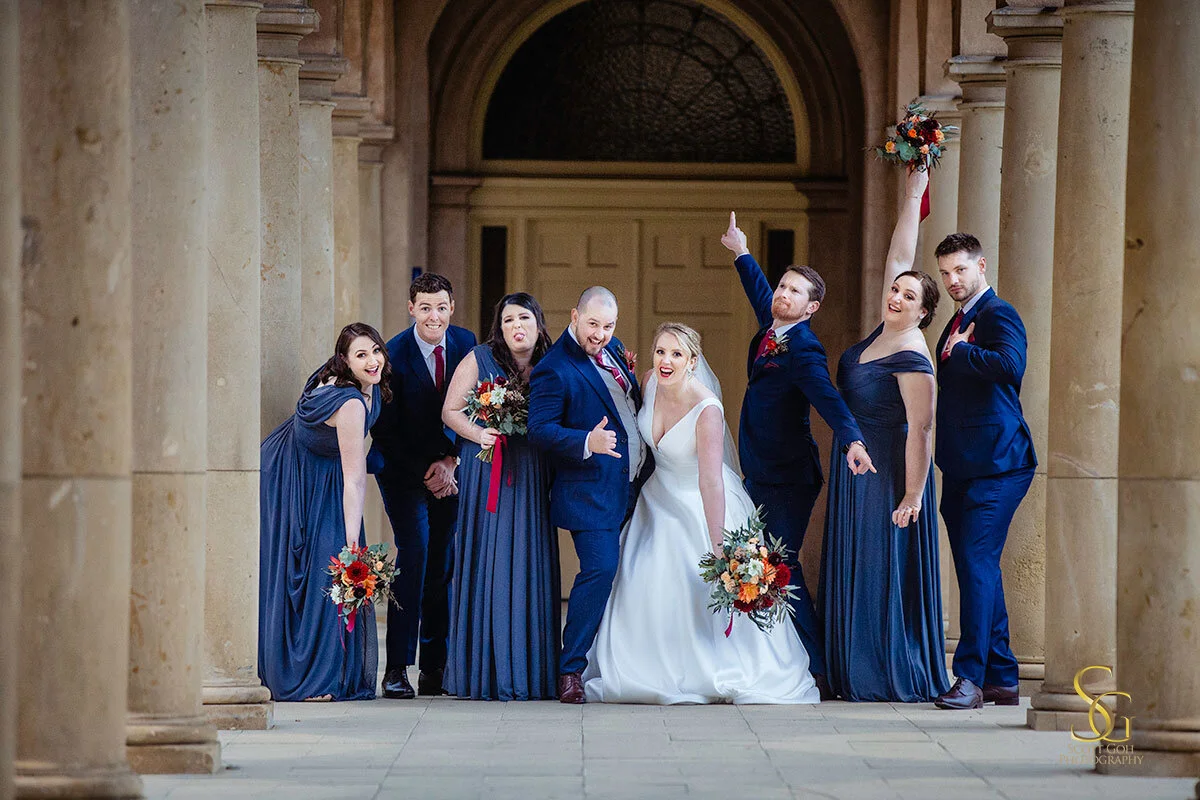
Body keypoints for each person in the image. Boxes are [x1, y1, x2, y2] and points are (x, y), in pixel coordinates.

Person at [583, 323, 820, 705]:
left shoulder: (706, 408)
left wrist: (719, 546)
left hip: (702, 502)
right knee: (641, 576)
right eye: (660, 351)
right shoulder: (647, 383)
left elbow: (711, 481)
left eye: (677, 354)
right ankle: (644, 666)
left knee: (694, 581)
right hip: (656, 499)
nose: (666, 360)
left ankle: (714, 668)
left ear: (692, 361)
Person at [720, 213, 874, 699]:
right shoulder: (773, 329)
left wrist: (851, 439)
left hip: (788, 476)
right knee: (764, 565)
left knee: (779, 569)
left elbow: (827, 397)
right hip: (763, 470)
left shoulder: (803, 349)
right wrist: (742, 251)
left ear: (812, 308)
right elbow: (759, 294)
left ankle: (820, 669)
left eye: (794, 292)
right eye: (782, 287)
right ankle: (786, 659)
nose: (782, 295)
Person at [820, 167, 950, 702]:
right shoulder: (883, 328)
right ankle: (848, 668)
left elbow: (920, 428)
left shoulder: (913, 352)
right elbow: (900, 254)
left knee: (877, 569)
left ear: (924, 312)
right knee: (854, 565)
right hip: (854, 464)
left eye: (906, 296)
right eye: (895, 290)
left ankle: (880, 670)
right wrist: (914, 190)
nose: (895, 296)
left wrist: (913, 496)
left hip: (888, 476)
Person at [527, 286, 651, 704]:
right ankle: (570, 669)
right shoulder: (554, 368)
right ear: (574, 315)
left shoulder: (613, 349)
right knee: (600, 570)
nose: (600, 334)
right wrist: (585, 441)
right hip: (590, 493)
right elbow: (539, 429)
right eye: (593, 324)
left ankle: (627, 661)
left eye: (608, 325)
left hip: (636, 486)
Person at [931, 232, 1037, 710]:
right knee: (980, 571)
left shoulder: (998, 313)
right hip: (962, 464)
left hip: (999, 463)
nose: (953, 280)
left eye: (960, 270)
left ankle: (969, 679)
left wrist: (963, 351)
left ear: (981, 266)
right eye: (946, 273)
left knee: (976, 566)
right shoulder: (957, 319)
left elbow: (1011, 366)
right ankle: (1001, 678)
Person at [258, 322, 389, 701]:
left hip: (316, 471)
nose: (372, 360)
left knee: (324, 569)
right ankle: (311, 679)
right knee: (328, 567)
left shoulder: (365, 386)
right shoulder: (349, 404)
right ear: (344, 362)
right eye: (360, 355)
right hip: (295, 477)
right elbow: (354, 477)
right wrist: (352, 543)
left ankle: (322, 671)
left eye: (375, 350)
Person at [441, 293, 560, 700]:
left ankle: (529, 672)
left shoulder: (554, 361)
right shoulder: (479, 357)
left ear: (539, 323)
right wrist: (479, 433)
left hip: (532, 470)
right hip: (488, 467)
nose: (516, 326)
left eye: (524, 317)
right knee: (490, 558)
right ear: (500, 327)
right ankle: (483, 671)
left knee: (528, 558)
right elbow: (451, 411)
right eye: (508, 320)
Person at [368, 273, 477, 699]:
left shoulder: (467, 344)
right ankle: (396, 668)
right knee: (414, 554)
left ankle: (435, 668)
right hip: (401, 470)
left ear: (452, 307)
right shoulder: (392, 354)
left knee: (442, 563)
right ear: (411, 308)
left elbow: (475, 409)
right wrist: (428, 471)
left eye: (442, 307)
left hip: (449, 469)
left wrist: (450, 461)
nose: (435, 315)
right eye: (426, 307)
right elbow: (385, 431)